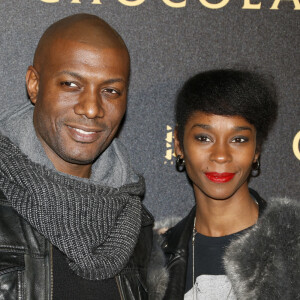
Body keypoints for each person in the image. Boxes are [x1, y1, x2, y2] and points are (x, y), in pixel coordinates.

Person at [0, 14, 167, 300]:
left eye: (110, 91)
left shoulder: (135, 227)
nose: (92, 108)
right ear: (34, 84)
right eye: (71, 85)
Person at [161, 69, 300, 299]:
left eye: (238, 139)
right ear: (177, 143)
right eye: (204, 138)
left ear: (256, 149)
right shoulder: (152, 261)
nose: (221, 155)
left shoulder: (294, 247)